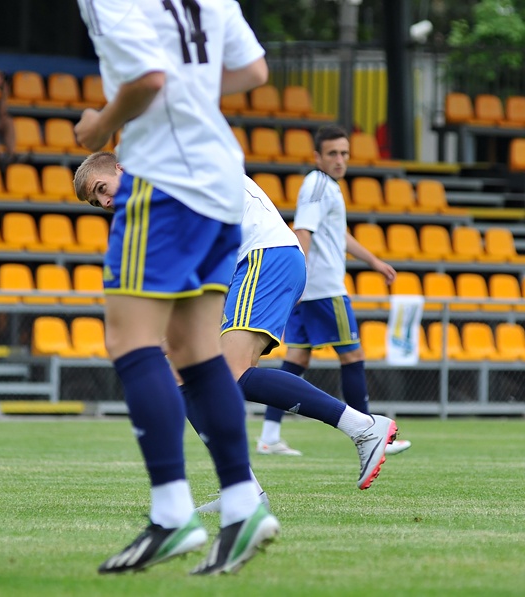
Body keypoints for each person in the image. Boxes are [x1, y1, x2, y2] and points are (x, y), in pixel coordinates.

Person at [73, 0, 274, 577]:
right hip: (220, 178)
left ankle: (171, 515)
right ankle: (242, 505)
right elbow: (252, 71)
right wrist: (183, 97)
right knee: (193, 349)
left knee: (130, 340)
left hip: (164, 178)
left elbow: (149, 79)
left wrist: (100, 124)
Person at [74, 151, 400, 500]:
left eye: (102, 188)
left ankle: (363, 427)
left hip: (264, 255)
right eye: (97, 201)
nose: (106, 201)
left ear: (121, 169)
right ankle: (242, 489)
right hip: (251, 267)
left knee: (230, 372)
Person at [263, 124, 412, 456]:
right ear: (317, 156)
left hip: (311, 289)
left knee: (297, 357)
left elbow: (337, 234)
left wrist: (374, 261)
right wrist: (295, 275)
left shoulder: (327, 186)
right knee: (353, 355)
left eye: (344, 153)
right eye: (332, 153)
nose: (340, 159)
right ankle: (373, 431)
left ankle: (269, 436)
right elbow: (303, 229)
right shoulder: (317, 184)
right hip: (324, 288)